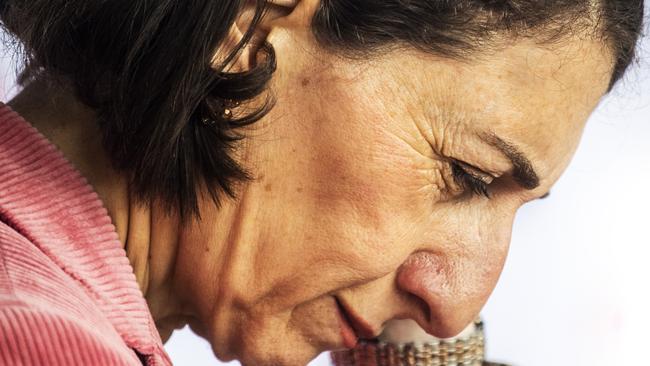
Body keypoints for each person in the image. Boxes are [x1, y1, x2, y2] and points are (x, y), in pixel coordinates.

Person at [0, 0, 643, 365]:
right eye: (465, 175)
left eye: (520, 208)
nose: (456, 314)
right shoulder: (41, 345)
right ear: (249, 22)